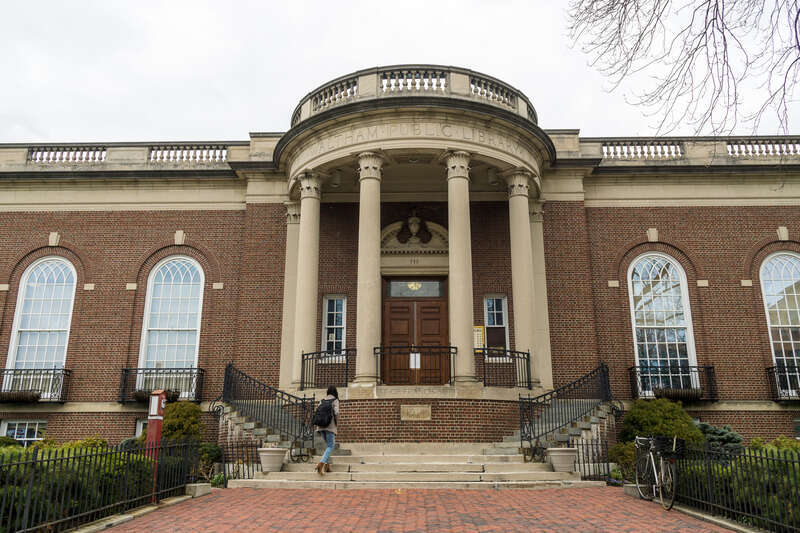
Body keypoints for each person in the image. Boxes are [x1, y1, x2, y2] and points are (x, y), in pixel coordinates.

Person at [315, 385, 339, 475]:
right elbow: (336, 413)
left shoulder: (322, 400)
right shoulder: (335, 400)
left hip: (321, 426)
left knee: (328, 446)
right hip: (330, 426)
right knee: (330, 446)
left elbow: (317, 412)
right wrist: (336, 425)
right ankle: (321, 464)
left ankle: (327, 466)